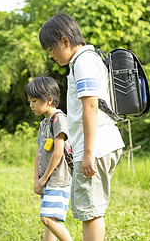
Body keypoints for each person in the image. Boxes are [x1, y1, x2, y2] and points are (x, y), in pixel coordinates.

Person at [38, 13, 124, 241]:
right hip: (102, 143)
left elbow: (91, 107)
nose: (51, 55)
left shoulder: (84, 62)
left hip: (95, 147)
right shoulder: (86, 60)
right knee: (91, 209)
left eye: (51, 49)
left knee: (90, 212)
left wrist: (87, 153)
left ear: (65, 41)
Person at [25, 76, 73, 241]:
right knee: (50, 221)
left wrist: (44, 178)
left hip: (58, 179)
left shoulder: (58, 119)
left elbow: (58, 152)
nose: (31, 105)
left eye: (34, 101)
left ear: (49, 99)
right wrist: (36, 180)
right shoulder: (43, 123)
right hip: (46, 180)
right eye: (30, 101)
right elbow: (38, 153)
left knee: (46, 218)